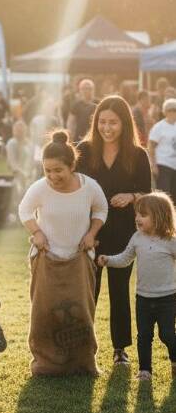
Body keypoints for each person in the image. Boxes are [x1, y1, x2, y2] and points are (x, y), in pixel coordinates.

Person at [18, 130, 107, 376]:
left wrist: (91, 233)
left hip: (79, 258)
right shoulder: (39, 188)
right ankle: (47, 363)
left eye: (58, 170)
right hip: (46, 257)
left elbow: (101, 209)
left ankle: (82, 363)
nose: (52, 176)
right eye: (47, 171)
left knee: (80, 310)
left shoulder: (90, 187)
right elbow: (24, 211)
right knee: (45, 311)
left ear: (71, 166)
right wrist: (36, 232)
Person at [76, 96, 152, 366]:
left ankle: (120, 348)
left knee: (119, 290)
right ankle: (84, 345)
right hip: (90, 232)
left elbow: (148, 193)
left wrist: (132, 196)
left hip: (122, 232)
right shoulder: (83, 150)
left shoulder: (138, 154)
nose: (106, 128)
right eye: (102, 122)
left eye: (113, 123)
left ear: (125, 124)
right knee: (88, 290)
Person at [97, 193, 176, 381]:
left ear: (159, 216)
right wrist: (108, 260)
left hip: (167, 298)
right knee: (144, 336)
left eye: (143, 215)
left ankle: (174, 359)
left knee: (166, 334)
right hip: (143, 298)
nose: (137, 218)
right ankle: (145, 370)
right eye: (137, 214)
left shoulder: (170, 241)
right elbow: (125, 258)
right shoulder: (137, 238)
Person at [148, 98, 176, 200]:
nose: (173, 112)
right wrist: (153, 165)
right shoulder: (159, 127)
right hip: (163, 165)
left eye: (175, 110)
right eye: (170, 110)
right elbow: (151, 147)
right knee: (164, 195)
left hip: (175, 166)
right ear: (165, 112)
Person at [6, 120, 34, 198]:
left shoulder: (29, 143)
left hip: (29, 175)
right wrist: (23, 174)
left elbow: (33, 161)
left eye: (22, 130)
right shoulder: (12, 143)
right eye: (17, 130)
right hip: (17, 176)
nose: (20, 132)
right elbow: (12, 164)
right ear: (14, 131)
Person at [67, 77, 98, 143]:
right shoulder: (76, 105)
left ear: (93, 90)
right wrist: (70, 135)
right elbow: (71, 122)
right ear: (80, 90)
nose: (87, 90)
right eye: (84, 88)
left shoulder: (98, 103)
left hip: (95, 137)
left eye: (89, 88)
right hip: (78, 138)